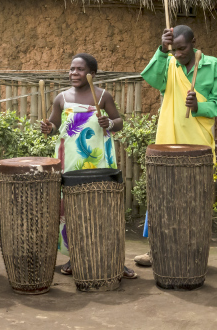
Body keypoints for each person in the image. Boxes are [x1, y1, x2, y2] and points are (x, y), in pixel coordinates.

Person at [134, 25, 217, 267]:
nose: (178, 54)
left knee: (194, 201)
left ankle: (193, 254)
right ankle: (157, 252)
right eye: (174, 49)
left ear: (194, 42)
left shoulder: (212, 65)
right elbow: (152, 79)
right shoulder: (168, 63)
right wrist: (160, 48)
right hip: (168, 140)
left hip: (198, 143)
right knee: (162, 197)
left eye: (182, 48)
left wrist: (199, 106)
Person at [41, 53, 138, 279]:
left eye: (80, 69)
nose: (73, 73)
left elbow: (119, 123)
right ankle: (76, 256)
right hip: (70, 162)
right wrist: (48, 129)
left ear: (92, 74)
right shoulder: (61, 98)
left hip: (99, 163)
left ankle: (114, 259)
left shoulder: (103, 96)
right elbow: (54, 125)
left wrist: (110, 123)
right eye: (72, 69)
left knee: (102, 209)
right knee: (73, 210)